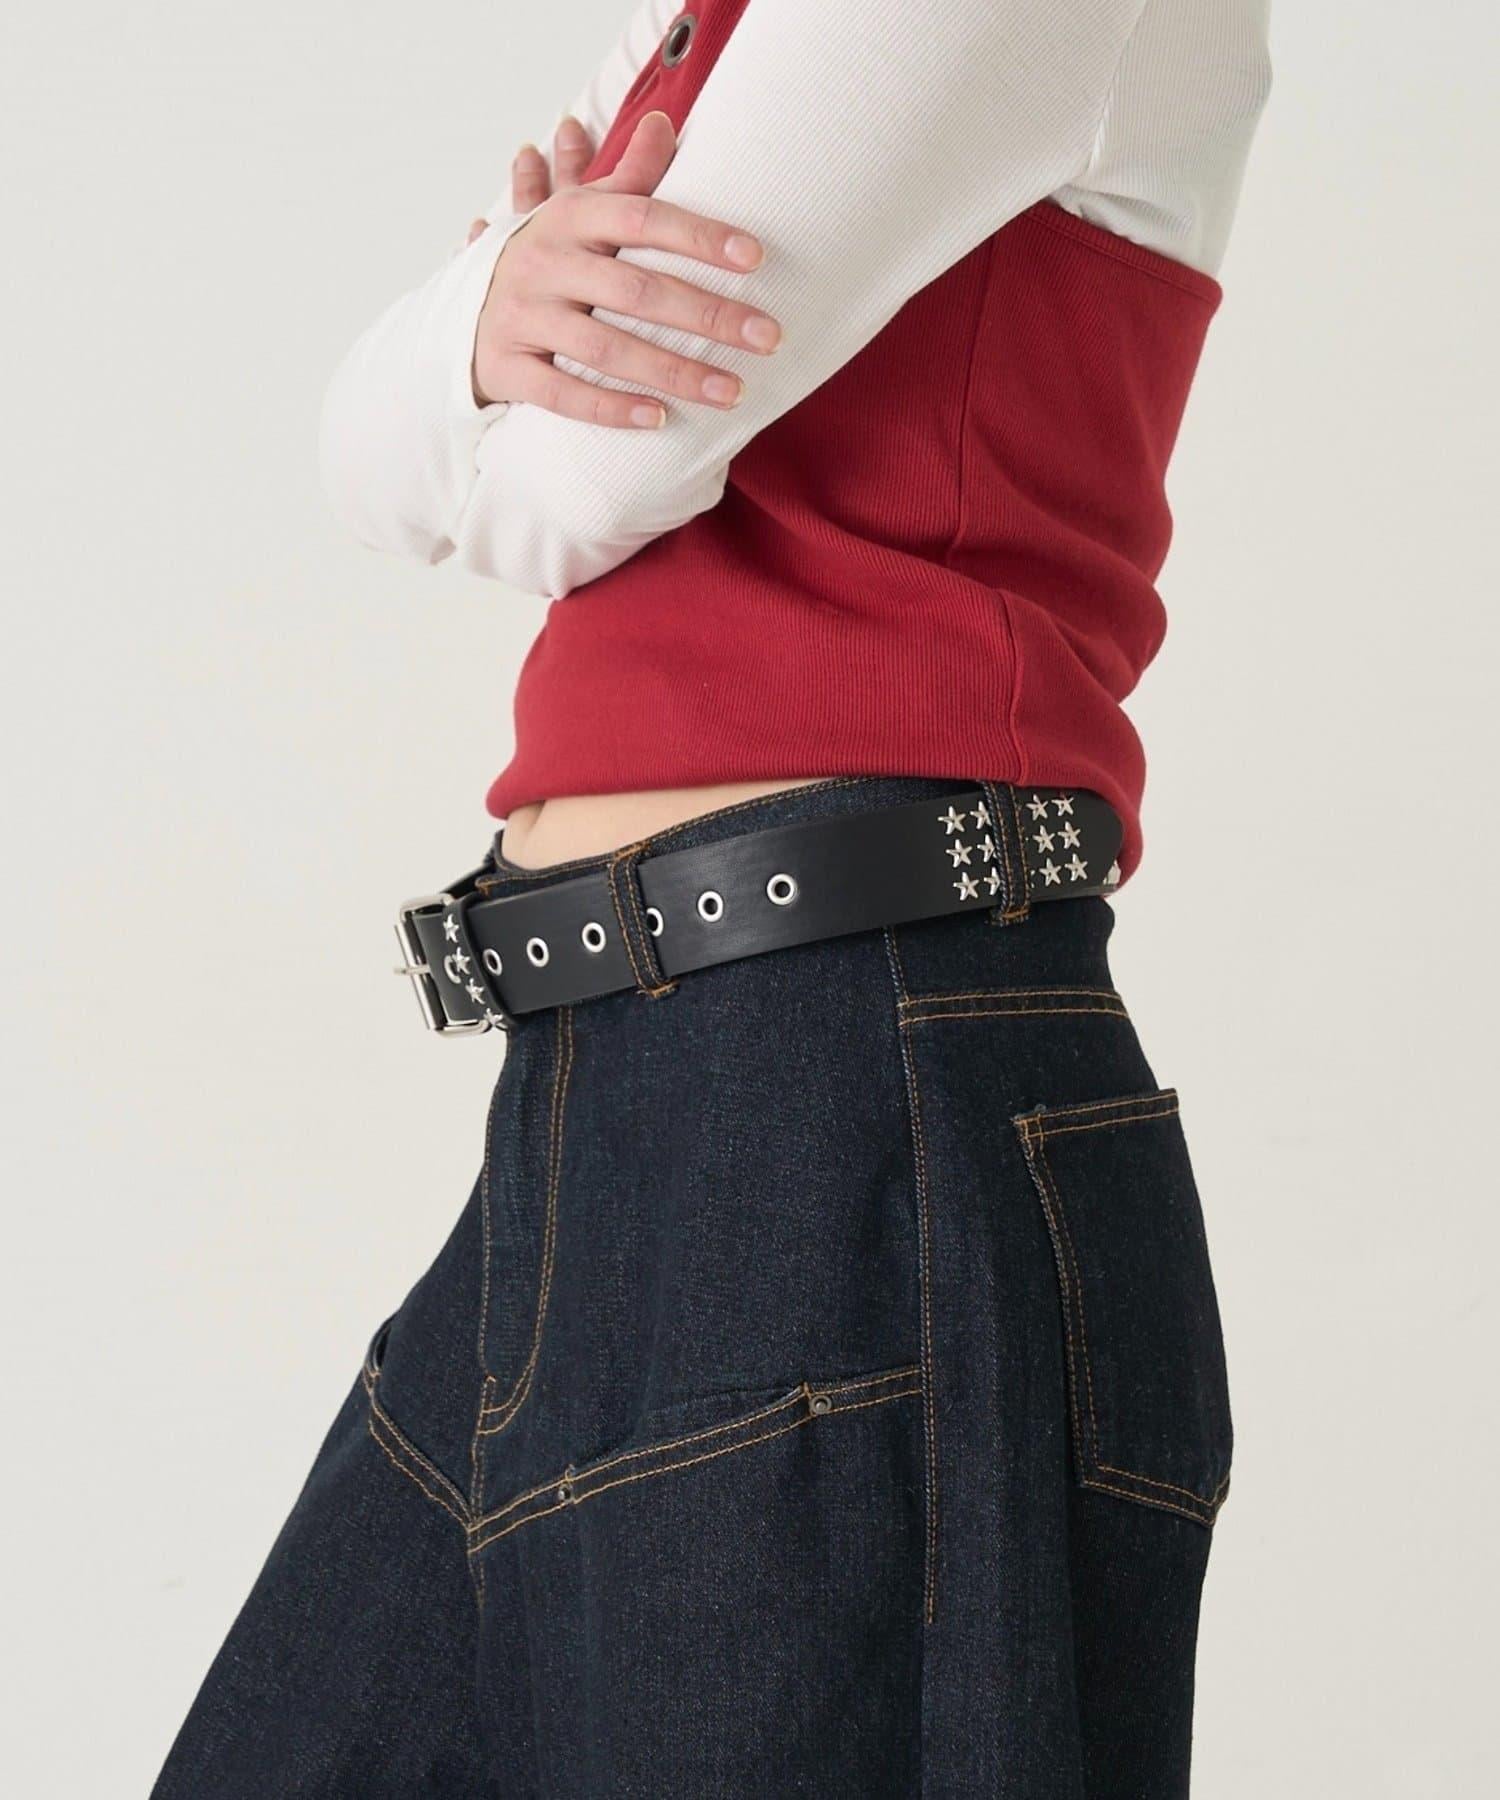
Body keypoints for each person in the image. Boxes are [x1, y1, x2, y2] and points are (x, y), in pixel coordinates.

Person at [154, 1, 1272, 1792]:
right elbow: (361, 459)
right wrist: (489, 303)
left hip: (845, 1082)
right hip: (604, 1103)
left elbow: (590, 469)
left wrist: (488, 346)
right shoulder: (699, 25)